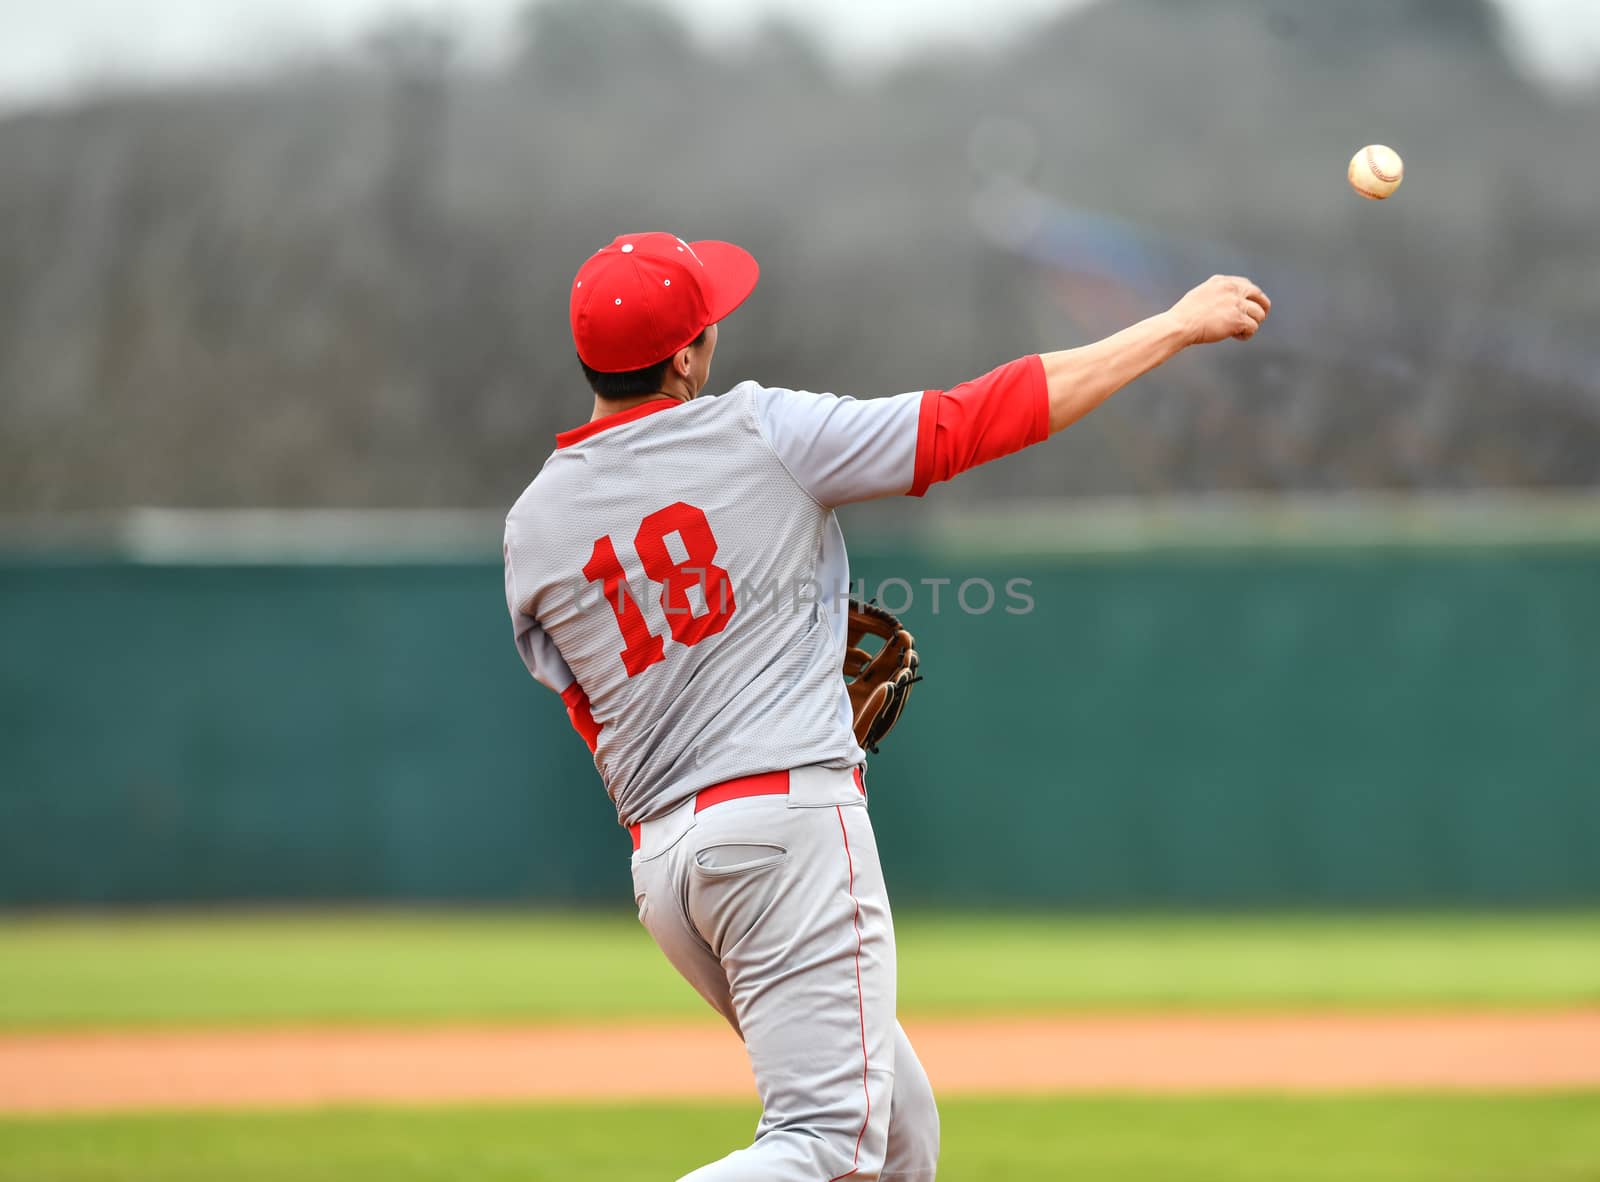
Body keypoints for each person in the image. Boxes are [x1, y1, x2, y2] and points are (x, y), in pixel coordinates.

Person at [502, 232, 1269, 1181]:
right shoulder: (759, 431)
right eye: (708, 328)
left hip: (666, 865)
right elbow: (967, 422)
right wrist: (1170, 326)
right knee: (823, 1144)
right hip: (782, 826)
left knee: (901, 1135)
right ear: (687, 356)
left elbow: (594, 714)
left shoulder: (533, 525)